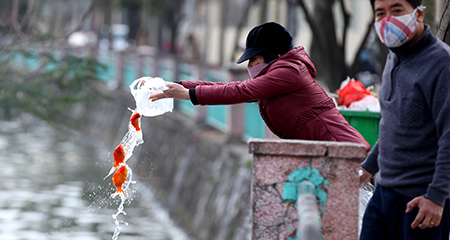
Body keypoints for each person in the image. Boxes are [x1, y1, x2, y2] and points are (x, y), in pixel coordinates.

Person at [150, 22, 370, 150]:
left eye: (253, 58)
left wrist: (190, 95)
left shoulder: (289, 72)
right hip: (334, 152)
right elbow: (232, 85)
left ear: (273, 55)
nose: (250, 64)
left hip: (348, 153)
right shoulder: (279, 75)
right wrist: (181, 85)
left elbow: (241, 90)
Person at [359, 0, 450, 239]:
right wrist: (367, 169)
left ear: (419, 14)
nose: (388, 19)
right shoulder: (393, 57)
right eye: (381, 13)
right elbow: (393, 126)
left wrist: (437, 196)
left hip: (422, 201)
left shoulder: (442, 63)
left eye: (397, 10)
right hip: (384, 193)